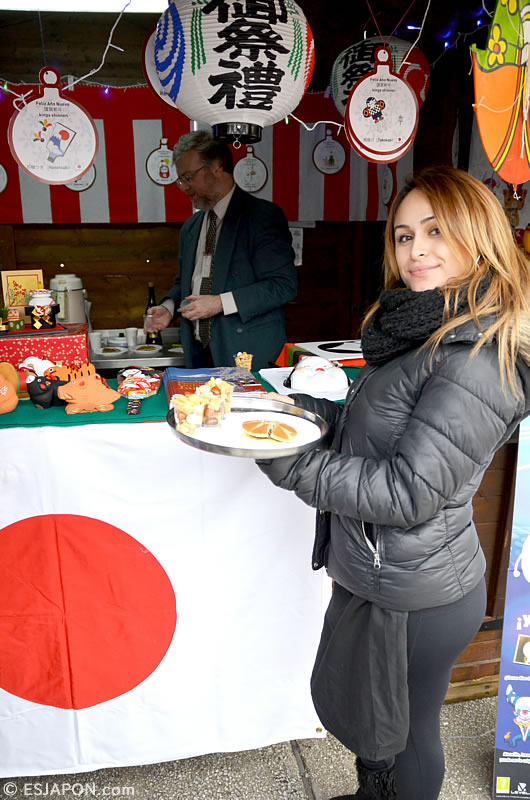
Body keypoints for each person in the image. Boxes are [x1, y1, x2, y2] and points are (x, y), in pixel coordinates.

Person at [257, 166, 530, 800]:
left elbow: (410, 493)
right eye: (404, 236)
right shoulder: (424, 328)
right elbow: (380, 431)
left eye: (436, 231)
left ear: (478, 236)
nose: (416, 251)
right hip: (387, 572)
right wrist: (304, 417)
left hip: (418, 593)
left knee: (407, 732)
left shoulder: (475, 356)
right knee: (376, 718)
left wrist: (290, 462)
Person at [144, 130, 297, 370]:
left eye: (188, 177)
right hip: (198, 354)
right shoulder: (192, 227)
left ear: (217, 168)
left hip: (246, 354)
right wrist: (169, 308)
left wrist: (220, 303)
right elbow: (186, 283)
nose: (184, 187)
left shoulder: (261, 217)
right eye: (180, 180)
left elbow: (283, 286)